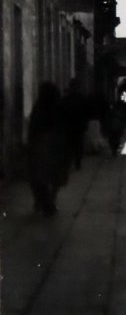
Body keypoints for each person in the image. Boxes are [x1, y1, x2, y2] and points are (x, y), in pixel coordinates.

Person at [28, 81, 69, 216]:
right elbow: (63, 126)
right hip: (56, 144)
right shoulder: (59, 106)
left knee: (39, 175)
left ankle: (41, 201)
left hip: (40, 144)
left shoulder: (38, 107)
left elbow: (33, 127)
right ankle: (50, 201)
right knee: (55, 175)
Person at [61, 77, 89, 170]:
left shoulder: (66, 99)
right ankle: (78, 162)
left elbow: (62, 112)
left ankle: (69, 162)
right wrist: (85, 124)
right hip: (79, 125)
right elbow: (86, 112)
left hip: (68, 126)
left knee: (69, 144)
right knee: (78, 144)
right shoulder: (82, 98)